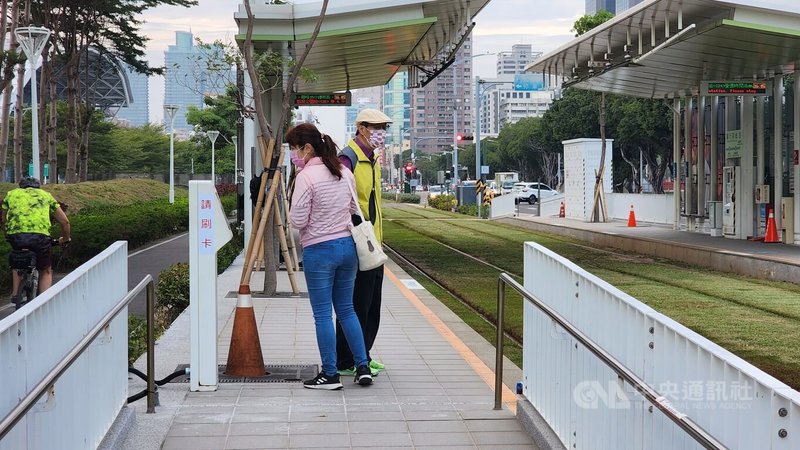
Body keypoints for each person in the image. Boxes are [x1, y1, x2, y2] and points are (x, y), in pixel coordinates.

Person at [286, 123, 373, 390]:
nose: (293, 154)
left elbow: (298, 220)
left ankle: (330, 374)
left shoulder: (306, 177)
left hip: (320, 251)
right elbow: (354, 208)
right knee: (347, 310)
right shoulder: (343, 171)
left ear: (307, 148)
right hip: (347, 248)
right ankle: (363, 366)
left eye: (293, 149)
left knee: (323, 314)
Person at [335, 108, 391, 377]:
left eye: (385, 127)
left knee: (371, 304)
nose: (381, 132)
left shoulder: (372, 158)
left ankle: (364, 355)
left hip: (373, 243)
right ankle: (347, 359)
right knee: (355, 304)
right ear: (361, 127)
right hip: (357, 243)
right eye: (376, 126)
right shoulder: (348, 159)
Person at [1, 177, 71, 295]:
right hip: (40, 238)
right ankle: (43, 302)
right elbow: (65, 222)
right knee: (46, 270)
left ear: (20, 186)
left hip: (16, 236)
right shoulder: (45, 195)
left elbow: (3, 220)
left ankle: (15, 293)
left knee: (17, 262)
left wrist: (7, 235)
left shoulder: (11, 194)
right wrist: (65, 238)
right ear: (38, 186)